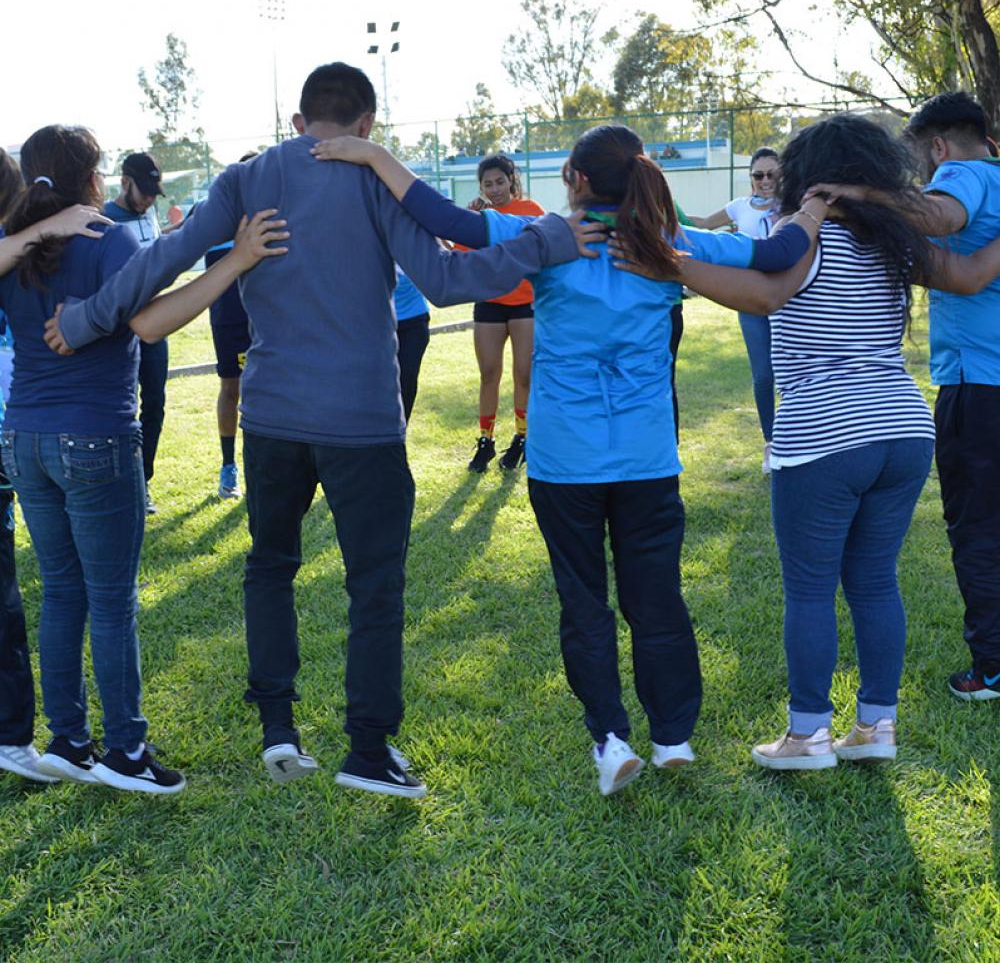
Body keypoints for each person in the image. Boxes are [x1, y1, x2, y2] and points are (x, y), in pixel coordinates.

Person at [42, 63, 599, 799]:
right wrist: (547, 240)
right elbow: (449, 280)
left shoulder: (248, 179)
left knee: (271, 567)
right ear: (367, 125)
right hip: (360, 421)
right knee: (374, 587)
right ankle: (367, 751)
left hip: (270, 416)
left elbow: (165, 257)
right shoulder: (373, 175)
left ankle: (278, 727)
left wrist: (82, 320)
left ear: (303, 119)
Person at [311, 124, 825, 795]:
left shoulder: (551, 238)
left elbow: (447, 220)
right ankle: (672, 737)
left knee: (584, 602)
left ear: (577, 181)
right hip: (646, 457)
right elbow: (777, 249)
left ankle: (612, 742)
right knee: (657, 597)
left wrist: (376, 155)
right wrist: (815, 206)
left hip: (565, 463)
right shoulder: (669, 241)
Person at [618, 114, 1000, 770]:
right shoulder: (894, 245)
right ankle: (877, 728)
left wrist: (671, 267)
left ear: (804, 175)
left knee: (810, 589)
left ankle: (806, 737)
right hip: (902, 429)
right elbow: (967, 277)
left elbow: (765, 295)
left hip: (823, 436)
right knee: (877, 582)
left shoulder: (802, 234)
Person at [1, 125, 285, 794]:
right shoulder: (107, 235)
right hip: (95, 436)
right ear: (92, 178)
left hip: (25, 440)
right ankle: (126, 751)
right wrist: (234, 262)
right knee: (111, 602)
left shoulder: (16, 247)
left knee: (63, 594)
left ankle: (69, 740)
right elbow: (150, 323)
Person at [809, 92, 1000, 702]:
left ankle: (991, 668)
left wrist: (855, 195)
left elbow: (940, 219)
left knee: (978, 528)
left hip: (980, 389)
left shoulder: (963, 174)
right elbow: (963, 270)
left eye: (921, 159)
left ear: (938, 147)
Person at [0, 149, 113, 784]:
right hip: (64, 435)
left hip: (22, 436)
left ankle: (47, 737)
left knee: (46, 594)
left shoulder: (22, 246)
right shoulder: (30, 240)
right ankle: (101, 745)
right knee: (93, 599)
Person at [692, 147, 780, 471]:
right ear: (751, 178)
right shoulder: (740, 207)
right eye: (759, 175)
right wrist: (666, 212)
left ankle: (800, 439)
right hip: (751, 301)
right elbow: (702, 225)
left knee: (793, 372)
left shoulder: (795, 207)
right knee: (762, 375)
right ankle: (771, 444)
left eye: (773, 174)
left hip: (789, 302)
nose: (766, 180)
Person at [463, 155, 544, 473]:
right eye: (487, 184)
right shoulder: (480, 216)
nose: (494, 189)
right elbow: (461, 256)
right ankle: (486, 441)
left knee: (523, 374)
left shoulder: (532, 211)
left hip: (525, 303)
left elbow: (544, 252)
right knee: (488, 374)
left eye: (500, 181)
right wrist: (469, 221)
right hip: (490, 303)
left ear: (512, 180)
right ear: (480, 187)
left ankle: (522, 439)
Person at [103, 152, 168, 513]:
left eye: (154, 192)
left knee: (155, 404)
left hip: (156, 330)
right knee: (121, 411)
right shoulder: (105, 220)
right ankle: (120, 486)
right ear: (124, 182)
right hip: (120, 333)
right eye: (143, 191)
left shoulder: (151, 213)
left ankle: (142, 482)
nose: (148, 199)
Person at [204, 152, 259, 499]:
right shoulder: (216, 217)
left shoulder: (275, 214)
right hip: (231, 321)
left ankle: (263, 467)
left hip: (271, 323)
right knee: (233, 388)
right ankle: (229, 467)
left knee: (271, 393)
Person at [393, 267, 430, 422]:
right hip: (376, 319)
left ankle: (400, 434)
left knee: (406, 380)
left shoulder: (414, 242)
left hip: (413, 318)